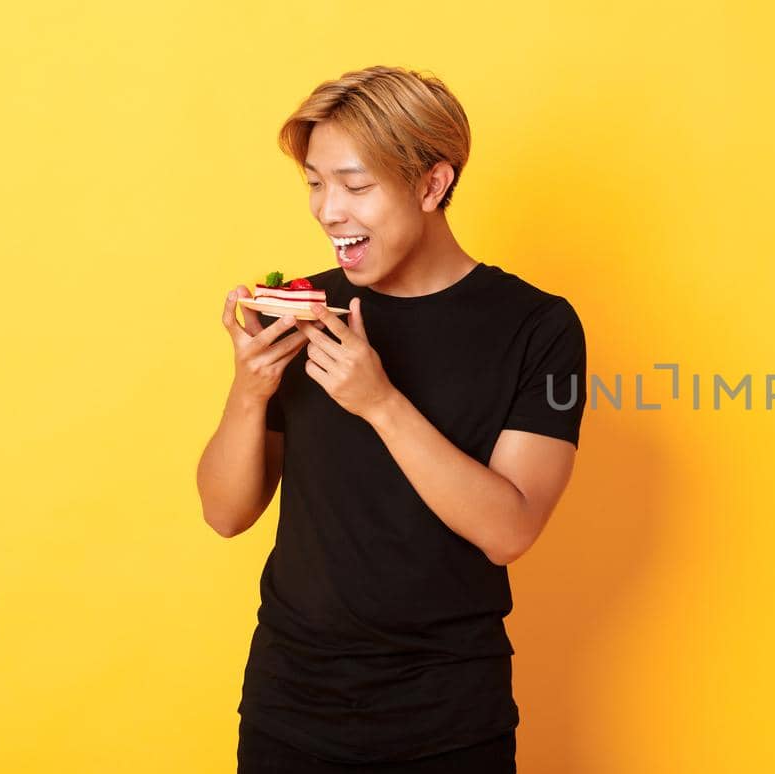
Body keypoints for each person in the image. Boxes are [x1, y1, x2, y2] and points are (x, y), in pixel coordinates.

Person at [195, 65, 588, 772]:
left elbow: (510, 530)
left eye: (355, 184)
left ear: (433, 185)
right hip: (290, 708)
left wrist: (379, 402)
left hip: (448, 721)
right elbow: (225, 513)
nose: (328, 210)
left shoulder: (537, 327)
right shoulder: (304, 309)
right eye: (316, 183)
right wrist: (249, 388)